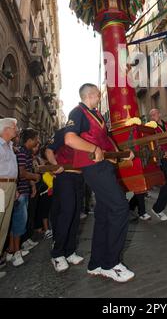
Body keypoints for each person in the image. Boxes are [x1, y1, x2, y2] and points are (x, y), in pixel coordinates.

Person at [64, 83, 135, 283]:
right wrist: (93, 148)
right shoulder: (77, 112)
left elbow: (106, 140)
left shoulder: (97, 115)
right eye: (98, 94)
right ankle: (111, 264)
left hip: (105, 166)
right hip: (93, 167)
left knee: (104, 214)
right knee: (120, 207)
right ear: (92, 95)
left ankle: (95, 263)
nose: (100, 97)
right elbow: (70, 139)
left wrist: (122, 153)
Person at [45, 127, 84, 273]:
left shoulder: (87, 134)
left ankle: (69, 251)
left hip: (79, 177)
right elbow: (49, 150)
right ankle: (57, 253)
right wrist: (55, 165)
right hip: (64, 176)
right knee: (66, 213)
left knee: (75, 215)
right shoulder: (64, 132)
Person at [8, 128, 40, 267]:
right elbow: (22, 173)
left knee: (17, 223)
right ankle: (15, 253)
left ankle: (13, 250)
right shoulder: (21, 153)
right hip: (20, 192)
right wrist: (35, 177)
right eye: (36, 139)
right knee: (19, 223)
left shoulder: (26, 153)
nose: (38, 141)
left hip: (24, 191)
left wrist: (32, 185)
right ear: (30, 140)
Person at [0, 118, 18, 279]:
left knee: (4, 225)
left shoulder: (10, 146)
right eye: (14, 127)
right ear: (6, 129)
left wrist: (15, 188)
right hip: (0, 188)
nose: (16, 130)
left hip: (10, 187)